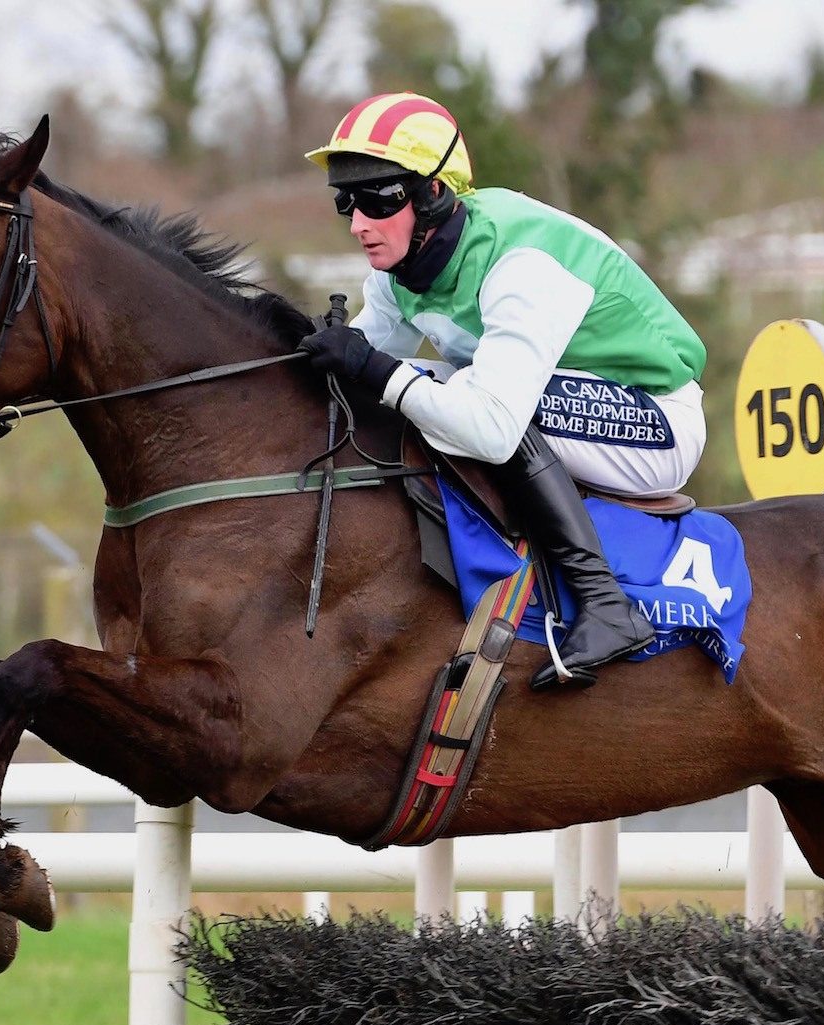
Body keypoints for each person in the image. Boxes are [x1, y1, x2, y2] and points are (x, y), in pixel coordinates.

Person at [297, 92, 709, 689]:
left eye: (378, 200)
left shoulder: (520, 265)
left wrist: (378, 371)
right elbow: (361, 360)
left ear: (433, 194)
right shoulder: (401, 267)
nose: (359, 223)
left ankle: (605, 605)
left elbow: (490, 427)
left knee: (468, 400)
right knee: (418, 389)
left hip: (655, 420)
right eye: (346, 201)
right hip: (564, 401)